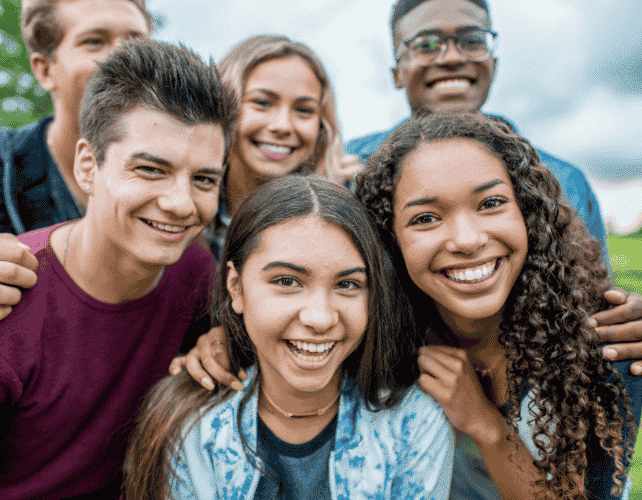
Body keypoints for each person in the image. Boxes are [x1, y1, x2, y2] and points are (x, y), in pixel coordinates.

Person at [0, 39, 237, 499]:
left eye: (203, 179)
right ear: (87, 166)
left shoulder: (195, 271)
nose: (181, 204)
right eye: (150, 169)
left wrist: (218, 342)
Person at [342, 0, 642, 373]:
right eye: (426, 44)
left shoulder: (564, 180)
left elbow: (582, 304)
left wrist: (621, 320)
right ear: (397, 71)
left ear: (493, 63)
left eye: (471, 40)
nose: (451, 57)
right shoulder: (349, 170)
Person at [355, 112, 641, 500]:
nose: (467, 239)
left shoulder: (603, 345)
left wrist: (484, 423)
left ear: (528, 213)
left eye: (491, 203)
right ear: (390, 239)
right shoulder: (378, 341)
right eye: (425, 218)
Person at [123, 175, 454, 500]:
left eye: (347, 284)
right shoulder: (191, 425)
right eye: (286, 281)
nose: (320, 318)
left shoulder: (413, 425)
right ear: (236, 287)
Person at [0, 0, 152, 328]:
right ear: (44, 69)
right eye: (95, 41)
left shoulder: (190, 182)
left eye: (138, 43)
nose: (124, 59)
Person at [202, 34, 363, 261]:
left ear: (322, 125)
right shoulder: (188, 208)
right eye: (262, 103)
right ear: (224, 106)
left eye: (304, 110)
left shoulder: (354, 206)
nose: (283, 126)